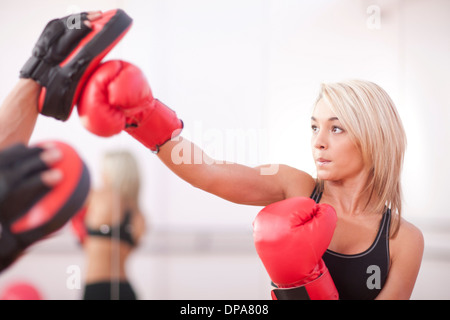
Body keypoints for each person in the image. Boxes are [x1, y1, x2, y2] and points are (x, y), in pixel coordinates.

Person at [78, 60, 424, 300]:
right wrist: (143, 116)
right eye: (315, 126)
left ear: (373, 137)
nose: (319, 140)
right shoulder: (296, 186)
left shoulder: (402, 239)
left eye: (336, 128)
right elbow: (209, 171)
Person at [0, 9, 131, 273]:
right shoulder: (119, 205)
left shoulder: (112, 201)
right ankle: (42, 75)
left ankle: (42, 73)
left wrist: (38, 66)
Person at [73, 150, 146, 300]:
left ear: (114, 172)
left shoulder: (99, 197)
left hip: (97, 289)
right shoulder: (140, 217)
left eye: (104, 170)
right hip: (126, 290)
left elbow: (66, 192)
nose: (101, 174)